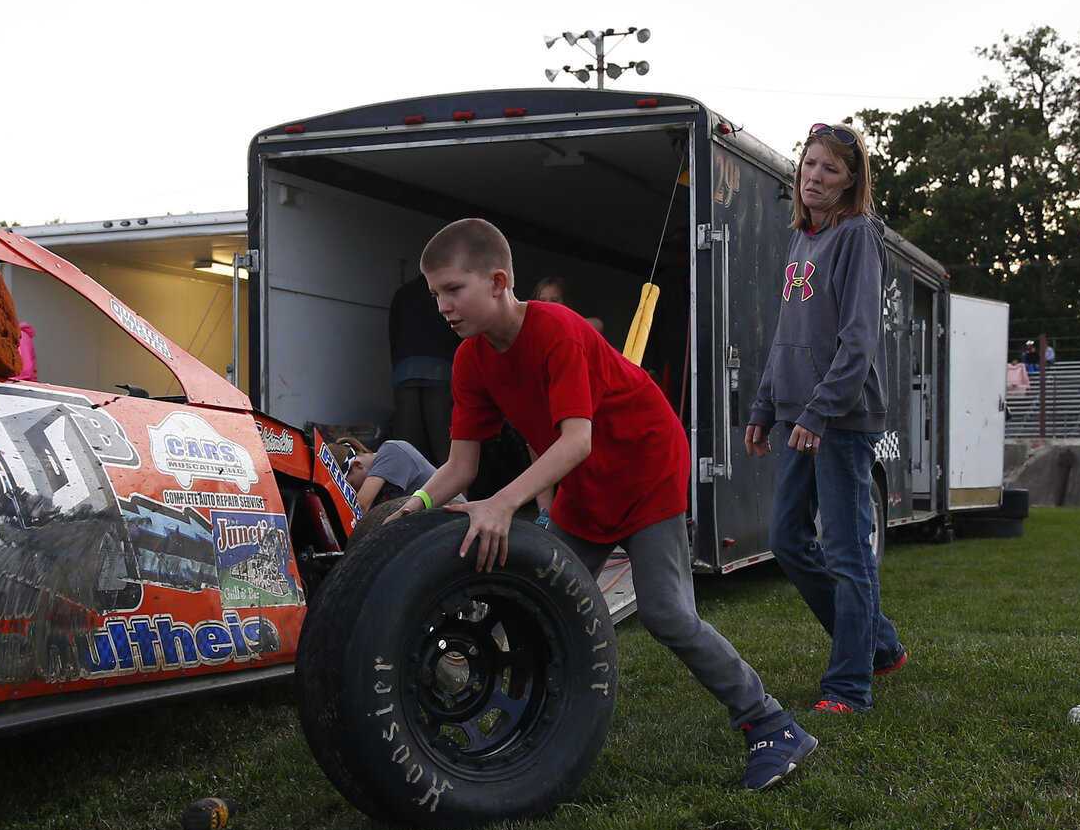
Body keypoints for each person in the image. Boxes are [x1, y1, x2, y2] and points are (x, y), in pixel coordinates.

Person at [403, 217, 813, 791]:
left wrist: (501, 504)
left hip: (645, 465)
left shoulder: (557, 331)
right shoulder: (471, 360)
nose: (443, 305)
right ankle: (531, 733)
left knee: (667, 615)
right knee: (539, 603)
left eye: (453, 289)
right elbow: (460, 466)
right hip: (586, 482)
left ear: (498, 282)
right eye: (434, 294)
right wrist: (415, 505)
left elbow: (576, 438)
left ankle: (771, 723)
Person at [746, 123, 905, 716]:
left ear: (851, 181)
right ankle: (879, 645)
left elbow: (858, 341)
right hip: (797, 416)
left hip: (840, 419)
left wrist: (817, 411)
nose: (814, 177)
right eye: (809, 165)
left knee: (845, 553)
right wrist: (766, 407)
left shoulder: (858, 237)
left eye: (829, 170)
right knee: (789, 541)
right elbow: (788, 336)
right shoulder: (802, 240)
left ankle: (849, 687)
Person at [388, 272, 458, 463]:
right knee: (447, 450)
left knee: (407, 449)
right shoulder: (447, 295)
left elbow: (393, 333)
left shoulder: (403, 293)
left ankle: (406, 492)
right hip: (442, 373)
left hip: (405, 373)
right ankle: (455, 493)